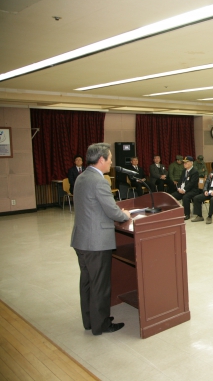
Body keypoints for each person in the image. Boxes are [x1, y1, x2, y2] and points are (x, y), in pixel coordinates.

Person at [71, 143, 130, 335]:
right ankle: (101, 325)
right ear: (102, 159)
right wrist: (125, 215)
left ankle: (90, 320)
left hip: (81, 239)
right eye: (110, 158)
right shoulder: (100, 181)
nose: (112, 162)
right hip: (96, 242)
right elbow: (112, 210)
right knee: (100, 285)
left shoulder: (81, 177)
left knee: (87, 282)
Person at [170, 156, 200, 220]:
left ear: (191, 163)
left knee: (185, 197)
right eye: (184, 163)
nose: (184, 164)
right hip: (182, 189)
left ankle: (187, 214)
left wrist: (184, 190)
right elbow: (180, 181)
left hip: (192, 190)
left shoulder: (195, 171)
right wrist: (178, 188)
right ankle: (175, 213)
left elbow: (191, 183)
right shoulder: (184, 171)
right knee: (172, 196)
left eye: (186, 162)